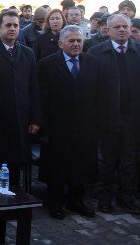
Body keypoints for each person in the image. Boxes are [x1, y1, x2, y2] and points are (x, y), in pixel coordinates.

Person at [38, 25, 103, 219]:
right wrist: (44, 128)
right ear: (61, 43)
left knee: (81, 164)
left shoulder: (93, 63)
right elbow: (42, 98)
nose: (76, 44)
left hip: (85, 125)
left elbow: (99, 95)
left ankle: (76, 201)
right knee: (57, 166)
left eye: (79, 41)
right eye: (71, 41)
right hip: (57, 126)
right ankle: (55, 203)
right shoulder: (47, 64)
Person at [0, 9, 41, 189]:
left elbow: (34, 88)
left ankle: (15, 209)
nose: (12, 29)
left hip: (20, 122)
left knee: (15, 170)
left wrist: (35, 119)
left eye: (16, 25)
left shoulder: (28, 54)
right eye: (8, 25)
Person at [89, 14, 140, 214]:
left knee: (129, 160)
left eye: (125, 27)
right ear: (108, 30)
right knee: (106, 161)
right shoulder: (96, 52)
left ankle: (126, 197)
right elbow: (90, 87)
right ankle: (104, 198)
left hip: (132, 117)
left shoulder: (138, 52)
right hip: (106, 117)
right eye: (117, 27)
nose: (121, 30)